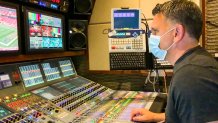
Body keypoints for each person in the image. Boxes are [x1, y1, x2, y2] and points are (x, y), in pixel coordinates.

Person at [131, 0, 218, 123]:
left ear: (177, 33)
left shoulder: (192, 77)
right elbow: (187, 115)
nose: (151, 37)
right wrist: (156, 117)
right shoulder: (195, 64)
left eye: (155, 31)